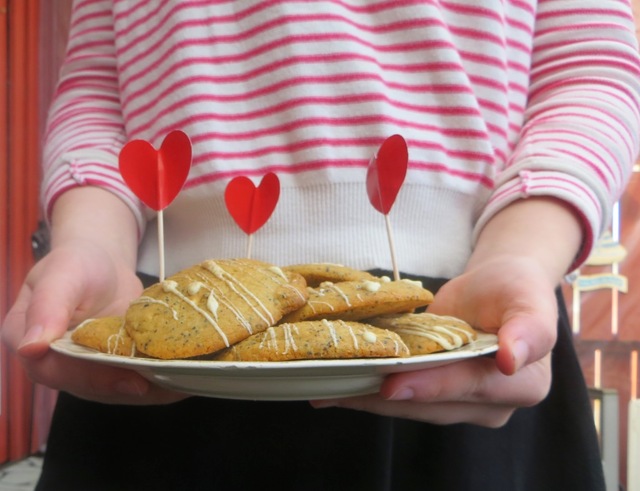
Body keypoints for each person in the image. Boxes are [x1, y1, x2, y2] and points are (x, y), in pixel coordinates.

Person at [3, 1, 640, 489]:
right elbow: (95, 87)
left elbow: (588, 71)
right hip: (156, 333)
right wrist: (91, 241)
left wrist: (522, 252)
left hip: (463, 322)